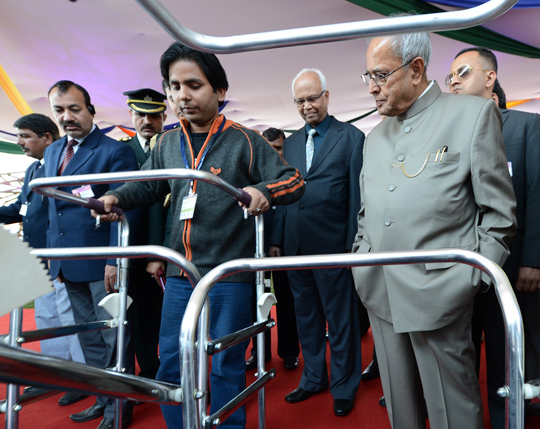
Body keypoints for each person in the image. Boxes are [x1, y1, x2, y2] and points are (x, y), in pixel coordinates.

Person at [93, 42, 305, 429]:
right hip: (180, 275)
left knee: (225, 364)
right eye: (174, 86)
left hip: (230, 276)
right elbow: (148, 187)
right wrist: (115, 197)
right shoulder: (167, 143)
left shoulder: (245, 140)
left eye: (193, 84)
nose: (181, 95)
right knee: (172, 362)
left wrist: (265, 192)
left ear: (220, 92)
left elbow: (293, 180)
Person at [352, 28, 516, 429]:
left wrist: (469, 279)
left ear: (417, 68)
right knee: (400, 411)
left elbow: (499, 215)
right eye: (367, 77)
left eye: (379, 75)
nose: (371, 88)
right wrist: (362, 262)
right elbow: (365, 215)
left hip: (443, 293)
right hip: (379, 292)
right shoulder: (374, 139)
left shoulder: (473, 115)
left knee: (453, 412)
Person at [447, 46, 540, 425]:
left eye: (463, 72)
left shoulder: (525, 126)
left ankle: (510, 418)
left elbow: (538, 193)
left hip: (515, 266)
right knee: (460, 354)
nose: (453, 80)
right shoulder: (449, 135)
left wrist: (535, 258)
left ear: (490, 78)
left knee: (510, 355)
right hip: (459, 270)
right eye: (450, 75)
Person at [45, 81, 138, 429]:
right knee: (88, 339)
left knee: (114, 338)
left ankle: (120, 408)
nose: (67, 117)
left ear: (91, 110)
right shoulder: (53, 151)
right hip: (65, 264)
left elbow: (127, 206)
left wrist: (115, 259)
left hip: (102, 264)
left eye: (74, 109)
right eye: (59, 110)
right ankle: (104, 400)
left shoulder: (115, 150)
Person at [271, 68, 364, 417]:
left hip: (334, 245)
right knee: (305, 316)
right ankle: (313, 379)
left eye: (312, 98)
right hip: (294, 246)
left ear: (327, 96)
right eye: (300, 100)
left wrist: (353, 245)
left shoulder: (352, 137)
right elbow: (284, 191)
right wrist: (279, 239)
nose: (307, 106)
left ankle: (344, 385)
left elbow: (357, 198)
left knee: (341, 320)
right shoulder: (291, 142)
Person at [0, 113, 88, 406]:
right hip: (37, 260)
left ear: (48, 138)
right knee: (46, 318)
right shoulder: (33, 170)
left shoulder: (67, 167)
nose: (20, 142)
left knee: (70, 319)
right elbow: (21, 208)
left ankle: (82, 378)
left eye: (26, 136)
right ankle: (55, 375)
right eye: (18, 136)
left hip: (62, 259)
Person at [120, 88, 169, 380]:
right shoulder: (122, 151)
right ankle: (150, 371)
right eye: (140, 114)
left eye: (153, 115)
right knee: (139, 317)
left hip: (170, 244)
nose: (147, 121)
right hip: (133, 248)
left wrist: (158, 251)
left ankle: (177, 370)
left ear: (165, 117)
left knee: (172, 315)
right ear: (131, 116)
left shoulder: (174, 147)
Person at [246, 128, 301, 372]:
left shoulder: (290, 174)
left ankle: (290, 352)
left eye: (277, 148)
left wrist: (276, 242)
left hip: (282, 248)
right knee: (256, 303)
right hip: (253, 249)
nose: (273, 153)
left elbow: (288, 210)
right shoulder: (251, 172)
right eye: (268, 148)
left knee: (287, 301)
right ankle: (259, 351)